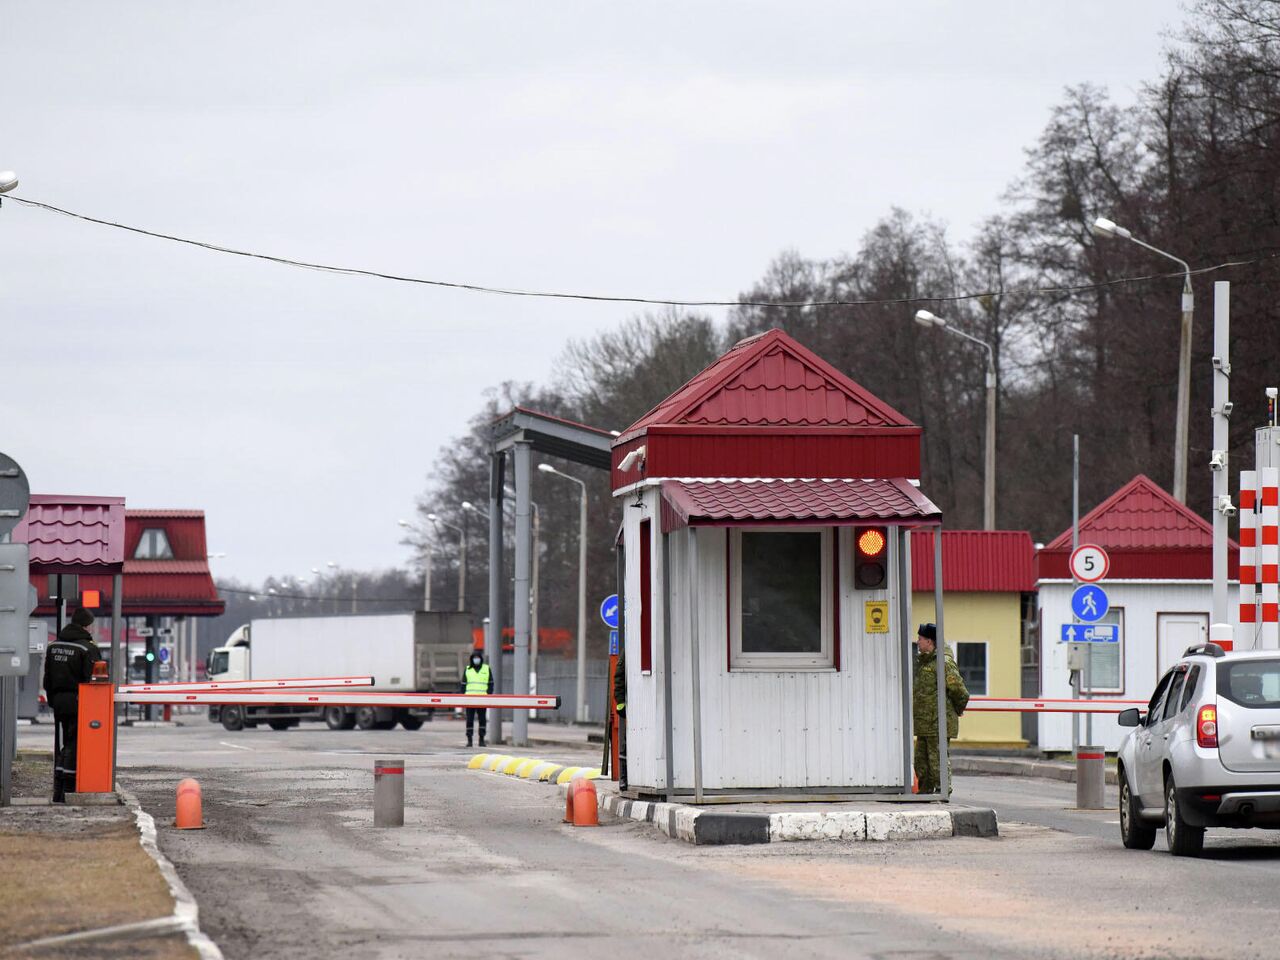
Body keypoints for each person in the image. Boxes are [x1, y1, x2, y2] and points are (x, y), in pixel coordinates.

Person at [42, 607, 103, 803]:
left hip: (58, 701)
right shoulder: (88, 648)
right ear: (86, 625)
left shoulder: (54, 646)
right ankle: (67, 788)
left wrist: (52, 700)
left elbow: (47, 679)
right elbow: (94, 681)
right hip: (79, 701)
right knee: (74, 742)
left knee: (64, 741)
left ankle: (58, 789)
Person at [912, 622, 969, 797]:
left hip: (938, 722)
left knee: (937, 761)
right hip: (924, 724)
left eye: (920, 639)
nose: (918, 642)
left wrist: (956, 710)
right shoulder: (923, 663)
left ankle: (942, 792)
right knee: (921, 762)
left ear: (929, 641)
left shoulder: (943, 663)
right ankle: (925, 792)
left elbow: (959, 691)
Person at [461, 649, 492, 748]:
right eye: (474, 658)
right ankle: (469, 740)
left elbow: (491, 683)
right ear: (471, 659)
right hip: (469, 699)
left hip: (482, 699)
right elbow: (463, 684)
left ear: (481, 659)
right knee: (469, 720)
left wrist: (489, 694)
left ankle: (481, 740)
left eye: (477, 658)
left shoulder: (486, 669)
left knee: (482, 720)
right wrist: (463, 696)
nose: (476, 660)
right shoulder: (468, 669)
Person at [612, 643, 627, 791]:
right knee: (628, 743)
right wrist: (620, 702)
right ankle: (624, 778)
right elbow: (619, 677)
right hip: (632, 703)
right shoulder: (629, 649)